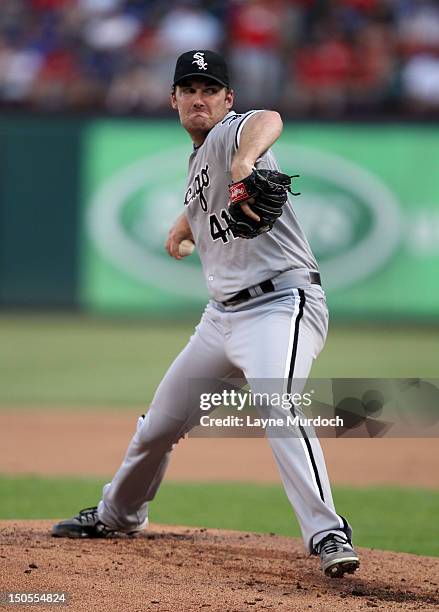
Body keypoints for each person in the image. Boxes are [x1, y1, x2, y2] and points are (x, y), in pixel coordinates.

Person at [52, 49, 360, 578]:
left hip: (280, 305)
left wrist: (245, 161)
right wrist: (184, 224)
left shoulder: (231, 135)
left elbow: (270, 120)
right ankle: (117, 515)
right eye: (189, 89)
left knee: (275, 401)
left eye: (210, 89)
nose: (200, 97)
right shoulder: (199, 159)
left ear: (227, 100)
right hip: (220, 320)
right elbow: (208, 194)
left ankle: (327, 532)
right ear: (173, 99)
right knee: (158, 426)